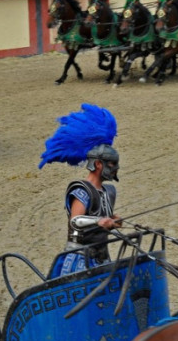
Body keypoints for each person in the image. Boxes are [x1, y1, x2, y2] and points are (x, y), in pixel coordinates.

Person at [39, 104, 122, 278]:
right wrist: (100, 221)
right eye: (112, 164)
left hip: (101, 257)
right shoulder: (82, 190)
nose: (116, 168)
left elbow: (101, 218)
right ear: (99, 164)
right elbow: (76, 221)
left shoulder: (108, 191)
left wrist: (112, 221)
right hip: (79, 260)